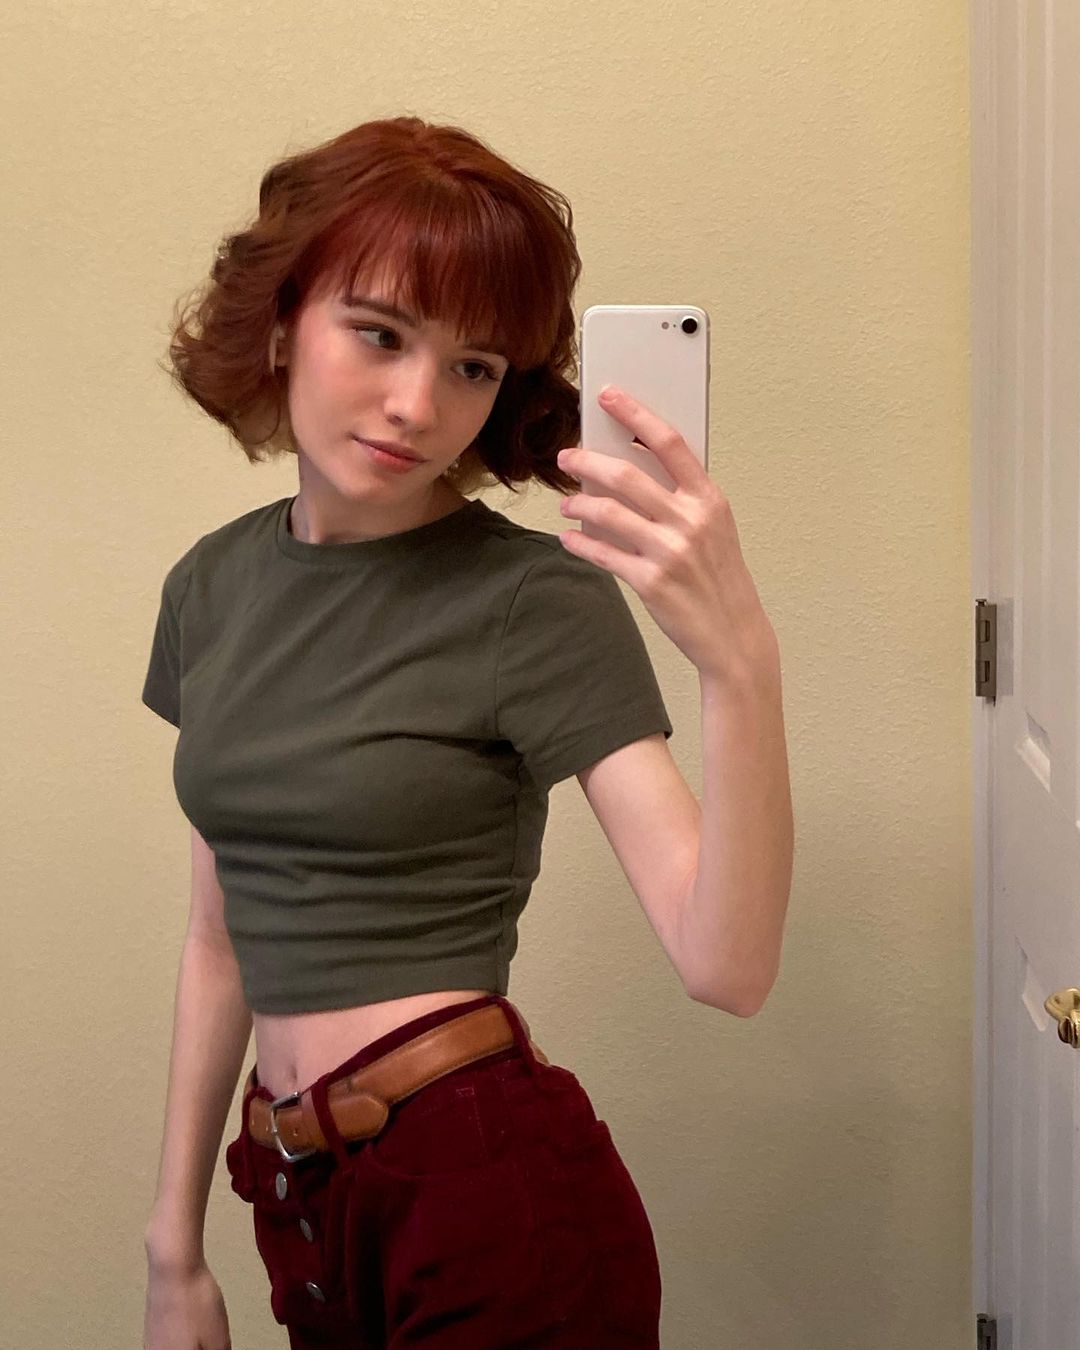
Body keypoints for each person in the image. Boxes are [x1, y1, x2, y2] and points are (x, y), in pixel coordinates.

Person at [140, 115, 788, 1350]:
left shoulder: (531, 601)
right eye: (380, 334)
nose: (417, 404)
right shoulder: (210, 588)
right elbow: (221, 938)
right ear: (282, 321)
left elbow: (729, 967)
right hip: (298, 1206)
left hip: (488, 1197)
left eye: (474, 366)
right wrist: (174, 1251)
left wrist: (740, 665)